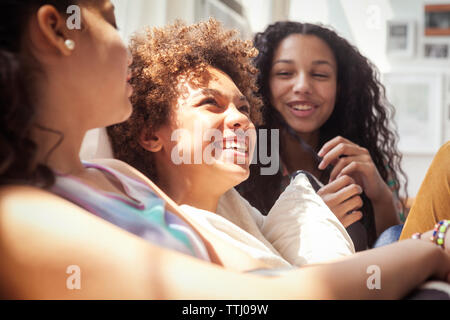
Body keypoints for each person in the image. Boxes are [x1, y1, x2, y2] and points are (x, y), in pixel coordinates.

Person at [1, 1, 450, 300]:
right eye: (111, 19)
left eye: (242, 106)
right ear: (58, 29)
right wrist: (430, 247)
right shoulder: (17, 218)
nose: (241, 120)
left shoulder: (118, 176)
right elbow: (255, 299)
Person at [107, 19, 355, 267]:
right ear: (151, 136)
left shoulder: (241, 216)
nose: (241, 119)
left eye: (244, 108)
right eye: (210, 103)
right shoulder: (172, 238)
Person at [236, 21, 408, 250]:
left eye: (319, 74)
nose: (302, 86)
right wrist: (311, 220)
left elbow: (394, 250)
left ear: (341, 86)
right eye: (285, 73)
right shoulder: (241, 161)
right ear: (262, 83)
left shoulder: (364, 161)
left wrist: (381, 196)